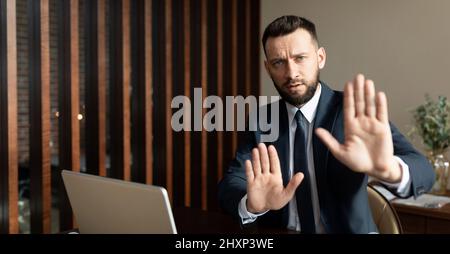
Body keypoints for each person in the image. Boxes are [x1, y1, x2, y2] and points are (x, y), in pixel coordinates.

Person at [217, 15, 435, 233]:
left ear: (320, 57)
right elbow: (232, 181)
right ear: (268, 68)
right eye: (278, 62)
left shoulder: (353, 112)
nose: (291, 73)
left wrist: (390, 169)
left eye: (300, 58)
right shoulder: (263, 119)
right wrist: (252, 205)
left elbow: (424, 170)